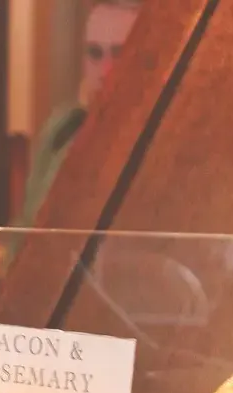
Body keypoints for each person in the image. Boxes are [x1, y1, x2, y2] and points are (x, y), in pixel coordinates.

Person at [18, 0, 142, 229]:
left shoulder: (161, 134)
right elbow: (27, 226)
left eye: (118, 54)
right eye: (95, 53)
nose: (105, 69)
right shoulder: (63, 127)